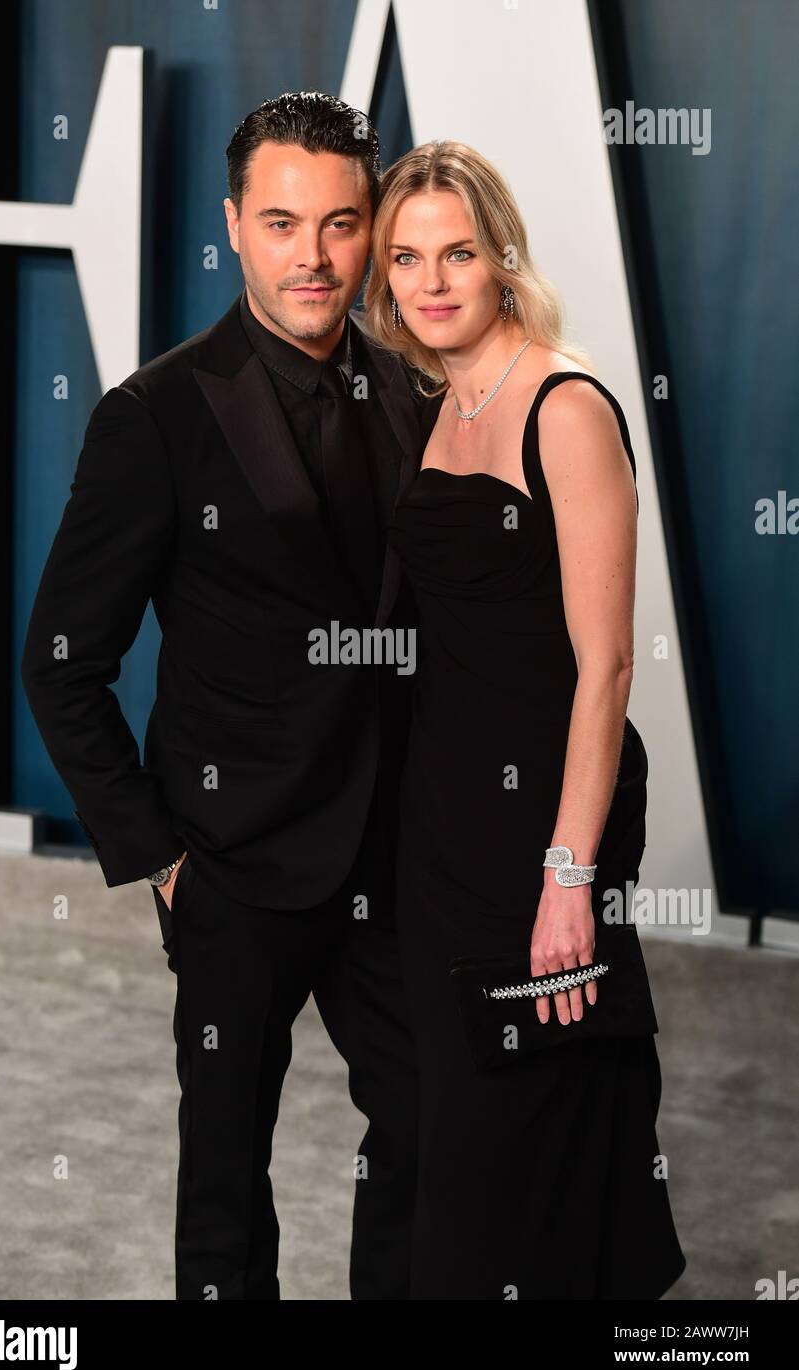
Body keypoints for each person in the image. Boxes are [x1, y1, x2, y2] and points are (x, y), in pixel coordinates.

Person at [21, 92, 426, 1301]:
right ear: (236, 226)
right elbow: (60, 660)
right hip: (234, 862)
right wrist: (164, 858)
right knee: (225, 1191)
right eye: (284, 222)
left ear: (370, 228)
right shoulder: (155, 416)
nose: (314, 257)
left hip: (393, 859)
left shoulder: (414, 390)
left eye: (343, 224)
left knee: (429, 1131)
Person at [363, 139, 687, 1300]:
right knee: (462, 1117)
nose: (432, 279)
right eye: (405, 257)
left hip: (550, 816)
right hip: (443, 815)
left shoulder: (567, 403)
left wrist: (567, 872)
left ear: (502, 256)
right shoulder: (433, 403)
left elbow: (604, 668)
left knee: (548, 1098)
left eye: (456, 251)